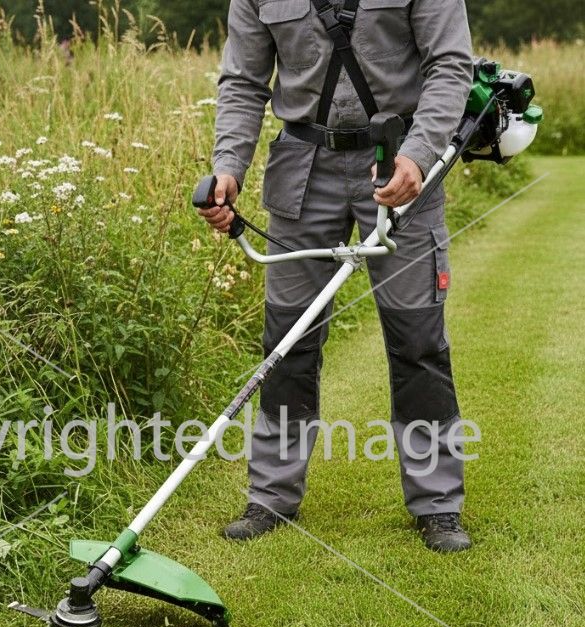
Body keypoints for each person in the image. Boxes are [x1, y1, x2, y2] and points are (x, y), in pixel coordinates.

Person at [199, 0, 475, 553]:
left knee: (418, 341)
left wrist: (420, 155)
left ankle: (437, 504)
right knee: (287, 341)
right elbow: (243, 82)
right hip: (300, 169)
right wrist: (227, 168)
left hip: (400, 167)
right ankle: (271, 496)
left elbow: (450, 65)